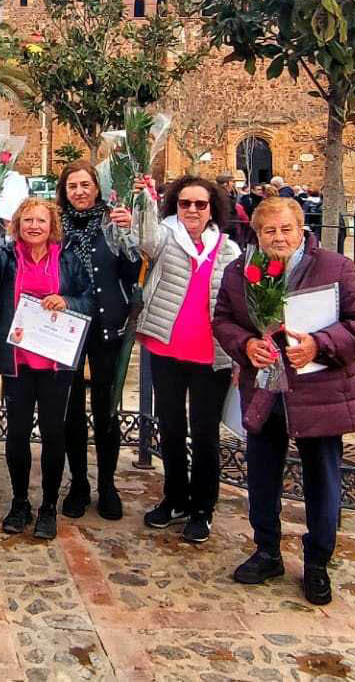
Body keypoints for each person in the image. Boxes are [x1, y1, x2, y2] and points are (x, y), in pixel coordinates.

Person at [215, 197, 355, 606]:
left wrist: (319, 345)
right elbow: (222, 319)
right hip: (266, 389)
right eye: (269, 231)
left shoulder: (334, 268)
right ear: (256, 233)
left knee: (322, 478)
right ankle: (267, 549)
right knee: (262, 474)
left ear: (300, 228)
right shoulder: (241, 272)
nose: (278, 238)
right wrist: (246, 344)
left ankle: (318, 560)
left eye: (286, 229)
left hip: (317, 391)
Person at [0, 194, 91, 539]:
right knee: (18, 434)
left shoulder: (67, 261)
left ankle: (49, 506)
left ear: (52, 226)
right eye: (28, 221)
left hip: (55, 364)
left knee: (54, 435)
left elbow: (89, 299)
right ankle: (20, 500)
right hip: (18, 362)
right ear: (17, 226)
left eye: (41, 221)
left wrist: (67, 301)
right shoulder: (6, 260)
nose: (34, 227)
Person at [135, 175, 244, 544]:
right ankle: (175, 497)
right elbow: (143, 236)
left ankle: (203, 507)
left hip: (211, 357)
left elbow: (241, 305)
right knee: (171, 428)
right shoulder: (165, 239)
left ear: (213, 208)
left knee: (204, 434)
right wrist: (145, 199)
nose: (193, 210)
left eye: (200, 204)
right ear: (174, 207)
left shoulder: (228, 251)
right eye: (185, 204)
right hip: (167, 350)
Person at [53, 161, 140, 520]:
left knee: (106, 410)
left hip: (107, 325)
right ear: (65, 191)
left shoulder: (112, 223)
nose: (79, 192)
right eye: (72, 186)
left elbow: (132, 270)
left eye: (85, 184)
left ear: (97, 188)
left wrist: (130, 234)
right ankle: (78, 484)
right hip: (67, 324)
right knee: (70, 409)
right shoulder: (57, 225)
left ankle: (107, 484)